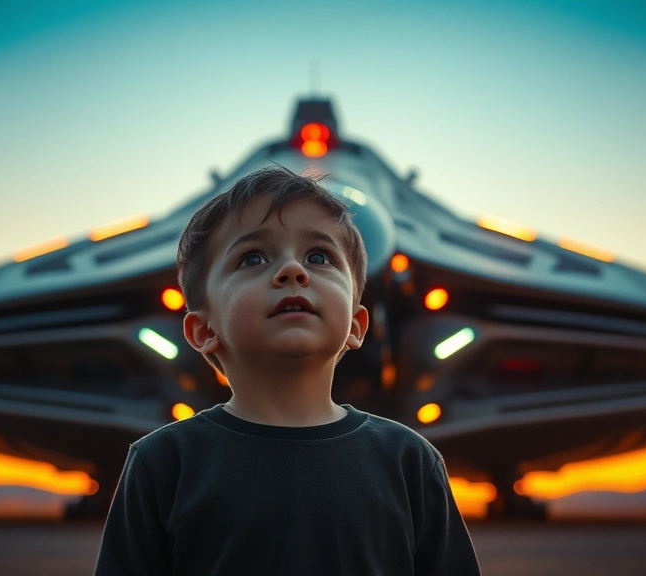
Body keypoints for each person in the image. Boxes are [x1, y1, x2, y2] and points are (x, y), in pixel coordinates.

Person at [94, 166, 481, 575]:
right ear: (204, 330)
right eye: (252, 257)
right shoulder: (163, 464)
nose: (292, 271)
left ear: (356, 324)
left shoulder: (409, 463)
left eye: (319, 256)